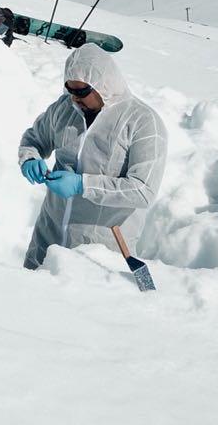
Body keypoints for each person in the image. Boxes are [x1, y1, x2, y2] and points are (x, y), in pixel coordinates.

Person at [17, 44, 167, 270]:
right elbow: (34, 138)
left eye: (82, 91)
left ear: (103, 85)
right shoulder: (64, 109)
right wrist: (29, 159)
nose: (75, 98)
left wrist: (82, 185)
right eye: (70, 90)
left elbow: (143, 190)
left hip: (100, 255)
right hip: (47, 242)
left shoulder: (143, 123)